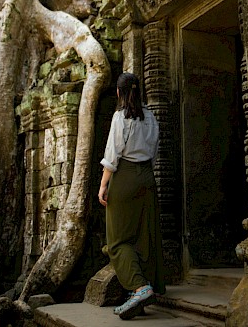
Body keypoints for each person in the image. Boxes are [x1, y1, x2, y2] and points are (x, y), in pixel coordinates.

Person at [98, 72, 165, 320]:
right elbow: (155, 152)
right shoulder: (151, 117)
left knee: (116, 241)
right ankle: (143, 289)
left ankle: (139, 287)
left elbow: (112, 154)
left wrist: (103, 185)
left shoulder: (120, 117)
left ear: (119, 92)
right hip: (147, 178)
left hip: (124, 177)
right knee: (143, 236)